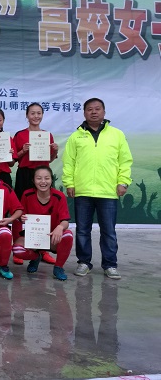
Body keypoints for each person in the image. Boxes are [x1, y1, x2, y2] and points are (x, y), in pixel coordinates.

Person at [62, 98, 132, 279]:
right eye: (90, 109)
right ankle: (84, 262)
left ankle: (110, 265)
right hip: (83, 191)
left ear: (104, 112)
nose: (94, 112)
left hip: (108, 191)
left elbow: (125, 161)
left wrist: (123, 182)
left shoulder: (116, 134)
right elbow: (69, 162)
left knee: (108, 231)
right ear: (84, 113)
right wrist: (70, 183)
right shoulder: (76, 136)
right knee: (82, 230)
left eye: (97, 109)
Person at [12, 102, 59, 266]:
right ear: (27, 115)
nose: (36, 116)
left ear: (42, 115)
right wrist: (23, 150)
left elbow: (50, 160)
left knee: (43, 211)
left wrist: (55, 150)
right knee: (20, 210)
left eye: (39, 113)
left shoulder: (47, 135)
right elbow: (14, 159)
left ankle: (42, 250)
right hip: (25, 174)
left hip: (42, 175)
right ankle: (18, 249)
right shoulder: (20, 135)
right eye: (32, 113)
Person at [11, 166, 74, 280]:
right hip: (34, 236)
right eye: (39, 178)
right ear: (33, 180)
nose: (43, 181)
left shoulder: (59, 196)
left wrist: (60, 227)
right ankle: (36, 257)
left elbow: (65, 221)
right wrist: (21, 217)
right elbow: (20, 215)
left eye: (47, 178)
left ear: (52, 180)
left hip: (52, 237)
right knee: (17, 249)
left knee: (68, 235)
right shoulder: (27, 194)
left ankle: (58, 267)